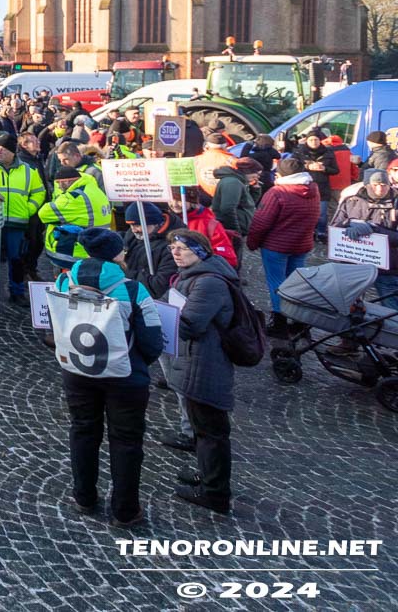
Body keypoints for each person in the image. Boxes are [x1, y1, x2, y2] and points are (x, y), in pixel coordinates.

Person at [53, 229, 165, 526]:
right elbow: (153, 341)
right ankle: (125, 511)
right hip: (124, 377)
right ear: (116, 255)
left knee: (82, 430)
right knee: (126, 440)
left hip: (78, 370)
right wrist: (137, 362)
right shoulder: (133, 290)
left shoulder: (64, 281)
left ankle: (84, 497)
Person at [165, 229, 236, 515]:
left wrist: (160, 315)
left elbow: (190, 324)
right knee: (203, 427)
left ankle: (215, 493)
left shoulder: (208, 283)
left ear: (200, 252)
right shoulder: (195, 276)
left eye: (182, 248)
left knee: (210, 430)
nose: (175, 253)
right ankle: (208, 476)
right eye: (172, 248)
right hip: (197, 358)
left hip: (205, 363)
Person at [245, 157, 320, 333]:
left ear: (280, 175)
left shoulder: (277, 193)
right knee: (297, 283)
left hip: (276, 246)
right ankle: (300, 320)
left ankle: (280, 322)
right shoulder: (313, 189)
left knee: (277, 282)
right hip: (301, 244)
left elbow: (261, 222)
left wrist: (252, 242)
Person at [0, 134, 46, 304]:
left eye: (3, 149)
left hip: (17, 222)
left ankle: (17, 292)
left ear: (13, 152)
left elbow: (39, 192)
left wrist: (28, 209)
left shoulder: (28, 170)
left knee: (16, 259)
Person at [329, 169, 398, 309]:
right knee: (349, 303)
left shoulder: (396, 203)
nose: (380, 189)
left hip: (388, 266)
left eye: (384, 185)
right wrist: (349, 225)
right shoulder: (351, 201)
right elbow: (334, 227)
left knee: (391, 304)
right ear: (366, 185)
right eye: (375, 185)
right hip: (354, 261)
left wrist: (375, 229)